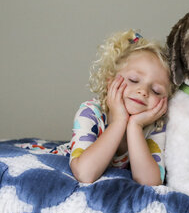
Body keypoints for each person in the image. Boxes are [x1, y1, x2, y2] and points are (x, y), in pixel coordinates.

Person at [60, 30, 173, 186]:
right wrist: (119, 121)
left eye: (156, 91)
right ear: (110, 81)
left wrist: (135, 126)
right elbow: (85, 173)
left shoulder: (156, 126)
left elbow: (150, 183)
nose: (143, 91)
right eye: (134, 80)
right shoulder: (91, 112)